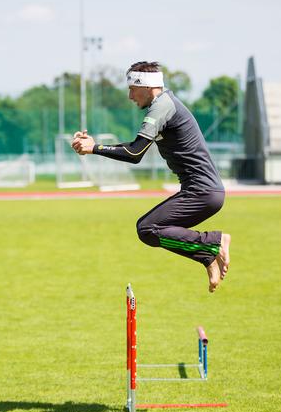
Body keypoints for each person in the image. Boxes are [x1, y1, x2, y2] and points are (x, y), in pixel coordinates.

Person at [71, 61, 231, 293]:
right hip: (203, 192)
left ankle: (214, 242)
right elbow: (135, 147)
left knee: (147, 228)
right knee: (150, 229)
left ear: (146, 87)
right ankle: (208, 255)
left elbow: (135, 154)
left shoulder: (162, 107)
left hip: (202, 192)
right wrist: (95, 146)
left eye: (131, 89)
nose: (129, 96)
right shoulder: (165, 104)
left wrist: (95, 148)